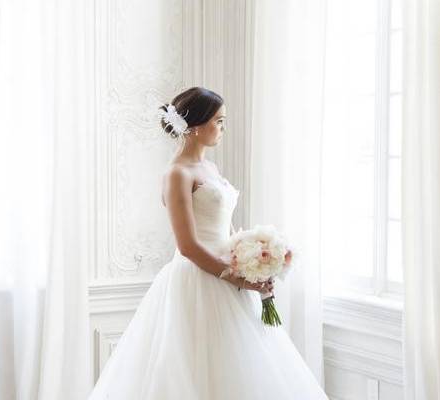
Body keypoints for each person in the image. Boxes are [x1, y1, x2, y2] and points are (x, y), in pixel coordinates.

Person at [88, 87, 329, 399]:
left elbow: (226, 228)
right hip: (198, 279)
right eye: (219, 121)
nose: (222, 129)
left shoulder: (210, 169)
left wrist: (255, 257)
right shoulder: (177, 173)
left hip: (229, 274)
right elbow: (187, 245)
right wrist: (238, 278)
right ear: (197, 125)